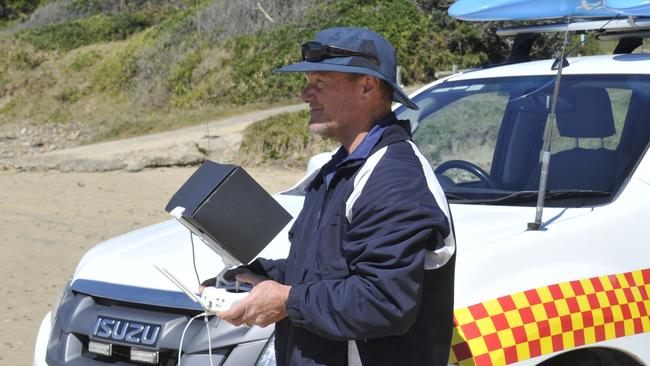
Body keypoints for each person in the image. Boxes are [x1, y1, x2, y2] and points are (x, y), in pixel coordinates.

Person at [209, 27, 456, 366]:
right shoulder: (341, 168)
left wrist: (285, 300)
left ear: (367, 86)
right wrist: (258, 278)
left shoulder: (395, 179)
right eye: (307, 81)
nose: (305, 94)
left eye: (320, 82)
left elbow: (382, 301)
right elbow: (327, 270)